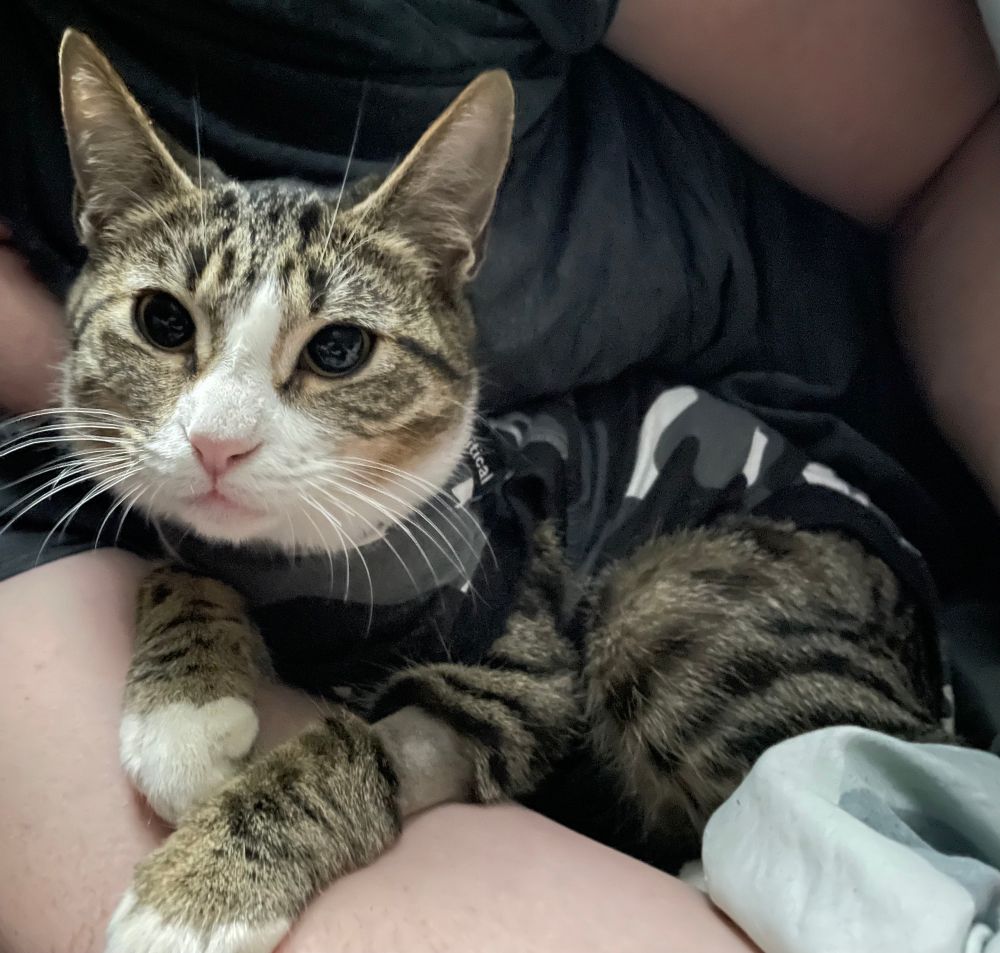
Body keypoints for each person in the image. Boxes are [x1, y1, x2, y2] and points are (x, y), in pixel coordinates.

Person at [1, 2, 999, 950]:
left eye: (336, 347)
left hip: (769, 549)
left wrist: (294, 819)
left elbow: (511, 706)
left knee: (668, 655)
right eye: (166, 325)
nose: (218, 432)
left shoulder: (442, 536)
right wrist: (190, 611)